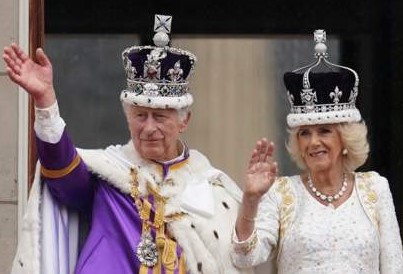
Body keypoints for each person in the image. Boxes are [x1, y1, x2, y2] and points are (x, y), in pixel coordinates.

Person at [3, 14, 274, 274]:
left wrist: (250, 200)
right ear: (127, 117)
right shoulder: (108, 174)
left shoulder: (212, 186)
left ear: (184, 120)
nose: (148, 128)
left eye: (160, 116)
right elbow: (62, 174)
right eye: (140, 115)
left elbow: (241, 258)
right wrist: (46, 101)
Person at [230, 29, 403, 273]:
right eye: (304, 133)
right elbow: (244, 259)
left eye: (324, 131)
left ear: (345, 139)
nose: (313, 142)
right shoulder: (280, 193)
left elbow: (394, 267)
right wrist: (250, 200)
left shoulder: (375, 189)